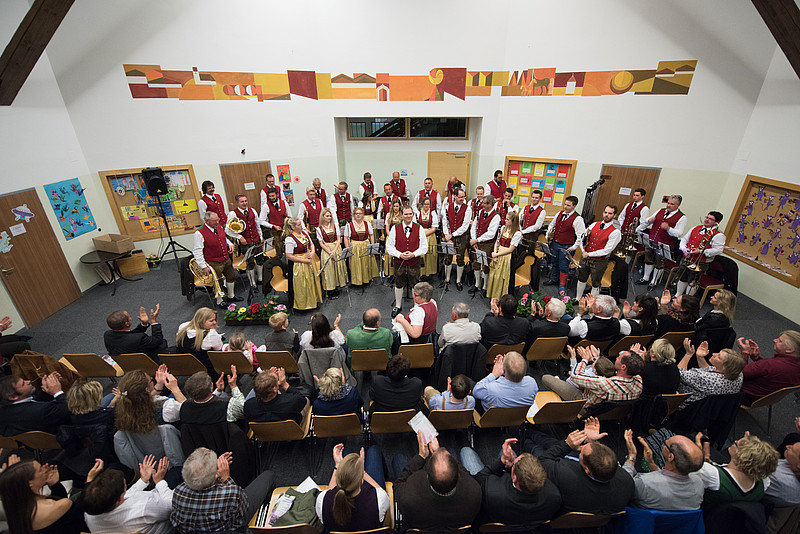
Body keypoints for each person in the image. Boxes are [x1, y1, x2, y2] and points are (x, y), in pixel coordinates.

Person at [534, 421, 634, 514]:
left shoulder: (564, 475)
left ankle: (529, 433)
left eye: (581, 452)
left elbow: (542, 461)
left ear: (587, 470)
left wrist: (566, 444)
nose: (581, 448)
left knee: (536, 448)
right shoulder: (627, 483)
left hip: (561, 510)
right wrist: (591, 441)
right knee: (550, 442)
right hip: (591, 513)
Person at [170, 448, 274, 534]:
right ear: (214, 476)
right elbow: (243, 509)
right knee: (268, 476)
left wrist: (210, 469)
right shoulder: (230, 493)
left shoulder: (178, 492)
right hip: (233, 527)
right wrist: (227, 479)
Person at [460, 438, 561, 524]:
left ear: (515, 478)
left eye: (515, 463)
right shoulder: (554, 496)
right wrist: (511, 466)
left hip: (497, 511)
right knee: (508, 453)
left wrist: (502, 462)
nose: (514, 461)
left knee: (466, 451)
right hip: (525, 521)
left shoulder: (491, 492)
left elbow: (480, 477)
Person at [394, 431, 481, 531]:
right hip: (452, 527)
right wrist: (439, 453)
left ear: (427, 476)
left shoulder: (408, 498)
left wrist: (421, 457)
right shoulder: (475, 492)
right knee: (453, 450)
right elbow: (465, 472)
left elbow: (398, 484)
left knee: (398, 459)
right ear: (458, 475)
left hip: (421, 522)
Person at [0, 458, 100, 534]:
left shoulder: (15, 510)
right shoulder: (60, 505)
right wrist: (89, 482)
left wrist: (55, 485)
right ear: (30, 483)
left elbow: (62, 520)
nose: (45, 469)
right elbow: (84, 516)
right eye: (40, 469)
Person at [82, 456, 173, 534]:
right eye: (125, 486)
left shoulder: (90, 515)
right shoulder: (144, 507)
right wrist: (159, 481)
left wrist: (143, 480)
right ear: (119, 499)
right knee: (176, 472)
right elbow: (172, 506)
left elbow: (127, 497)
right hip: (167, 520)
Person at [622, 429, 705, 510]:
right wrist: (651, 463)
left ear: (670, 457)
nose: (664, 442)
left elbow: (621, 488)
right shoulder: (699, 484)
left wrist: (631, 456)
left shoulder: (644, 483)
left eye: (666, 443)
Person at [543, 345, 644, 409]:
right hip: (610, 412)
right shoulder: (639, 381)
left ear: (623, 367)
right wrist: (597, 359)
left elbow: (575, 376)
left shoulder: (604, 383)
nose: (617, 357)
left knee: (546, 378)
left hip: (585, 406)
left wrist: (584, 359)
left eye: (619, 358)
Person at [316, 444, 389, 532]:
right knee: (373, 451)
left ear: (338, 478)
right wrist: (362, 471)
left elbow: (330, 492)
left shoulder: (322, 501)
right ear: (362, 481)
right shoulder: (379, 499)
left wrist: (338, 465)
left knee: (346, 451)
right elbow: (380, 491)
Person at [696, 431, 779, 506]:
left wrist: (697, 453)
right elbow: (760, 459)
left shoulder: (712, 475)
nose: (735, 441)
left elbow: (693, 468)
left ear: (740, 455)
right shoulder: (763, 484)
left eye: (736, 444)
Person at [636, 194, 687, 291]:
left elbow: (679, 233)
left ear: (678, 205)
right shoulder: (661, 210)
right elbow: (647, 220)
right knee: (648, 259)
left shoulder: (682, 217)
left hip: (664, 243)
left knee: (659, 263)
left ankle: (653, 282)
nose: (668, 205)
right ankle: (646, 278)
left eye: (672, 204)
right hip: (651, 239)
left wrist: (668, 228)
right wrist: (649, 220)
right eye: (668, 203)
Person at [677, 340, 745, 408]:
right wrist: (700, 357)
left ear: (725, 367)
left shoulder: (706, 379)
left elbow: (677, 373)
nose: (714, 354)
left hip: (684, 404)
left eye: (719, 357)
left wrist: (688, 354)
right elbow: (710, 372)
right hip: (713, 409)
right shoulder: (739, 376)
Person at [738, 330, 800, 404]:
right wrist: (757, 358)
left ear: (789, 350)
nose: (775, 340)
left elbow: (738, 373)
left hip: (744, 395)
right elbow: (769, 370)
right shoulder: (795, 365)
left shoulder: (769, 365)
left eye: (780, 341)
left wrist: (744, 353)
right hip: (763, 399)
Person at [192, 211, 239, 307]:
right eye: (214, 221)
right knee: (218, 281)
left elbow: (224, 238)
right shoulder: (199, 233)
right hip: (213, 261)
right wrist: (203, 266)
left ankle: (231, 295)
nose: (217, 222)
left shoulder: (218, 227)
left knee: (231, 276)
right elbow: (197, 251)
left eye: (218, 220)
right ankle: (219, 300)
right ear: (207, 221)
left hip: (225, 258)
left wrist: (230, 244)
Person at [386, 206, 427, 317]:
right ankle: (398, 305)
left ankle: (416, 307)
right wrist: (400, 254)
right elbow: (389, 246)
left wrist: (413, 254)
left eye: (410, 214)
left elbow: (424, 247)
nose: (408, 216)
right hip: (399, 262)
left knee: (415, 284)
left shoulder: (419, 228)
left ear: (413, 215)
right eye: (406, 214)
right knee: (399, 283)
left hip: (414, 262)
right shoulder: (395, 228)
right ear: (402, 215)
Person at [675, 211, 726, 297]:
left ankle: (687, 299)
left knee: (693, 281)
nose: (707, 220)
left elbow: (719, 250)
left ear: (717, 223)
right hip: (687, 258)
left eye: (711, 219)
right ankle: (678, 295)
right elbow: (684, 239)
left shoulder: (719, 235)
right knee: (682, 277)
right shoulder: (696, 227)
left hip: (700, 262)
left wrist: (701, 251)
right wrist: (684, 248)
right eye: (707, 217)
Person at [0, 372, 69, 435]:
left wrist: (46, 389)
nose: (28, 381)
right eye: (23, 384)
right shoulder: (41, 411)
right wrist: (57, 391)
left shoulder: (4, 411)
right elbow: (69, 410)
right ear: (13, 397)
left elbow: (33, 404)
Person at [575, 205, 621, 298]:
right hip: (585, 257)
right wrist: (583, 251)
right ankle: (577, 298)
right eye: (605, 212)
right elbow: (583, 238)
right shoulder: (594, 224)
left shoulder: (616, 232)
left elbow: (607, 250)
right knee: (581, 278)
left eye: (610, 213)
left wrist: (589, 254)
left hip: (599, 261)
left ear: (614, 215)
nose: (606, 215)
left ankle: (592, 303)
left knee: (595, 283)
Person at [544, 195, 585, 295]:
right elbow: (552, 225)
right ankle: (554, 279)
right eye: (565, 204)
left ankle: (562, 285)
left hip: (567, 246)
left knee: (563, 266)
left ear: (574, 206)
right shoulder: (559, 214)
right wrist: (547, 235)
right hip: (555, 243)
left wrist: (574, 247)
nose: (565, 207)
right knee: (554, 263)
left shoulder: (578, 219)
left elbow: (581, 235)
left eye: (568, 205)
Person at [225, 194, 265, 292]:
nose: (244, 203)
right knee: (250, 262)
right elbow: (227, 230)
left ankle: (260, 279)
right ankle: (252, 283)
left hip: (256, 239)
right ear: (237, 203)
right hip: (246, 242)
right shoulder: (233, 214)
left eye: (245, 201)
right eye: (242, 201)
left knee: (260, 259)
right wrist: (240, 237)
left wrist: (261, 237)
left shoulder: (253, 210)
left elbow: (257, 225)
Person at [473, 351, 538, 410]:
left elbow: (475, 391)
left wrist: (494, 374)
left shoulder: (490, 390)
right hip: (518, 417)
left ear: (503, 370)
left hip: (492, 417)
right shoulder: (532, 383)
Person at [284, 217, 323, 311]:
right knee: (302, 284)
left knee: (311, 282)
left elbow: (311, 244)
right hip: (299, 264)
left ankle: (313, 301)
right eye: (299, 225)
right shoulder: (289, 239)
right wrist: (305, 261)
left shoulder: (304, 233)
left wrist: (312, 252)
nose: (301, 226)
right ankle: (303, 305)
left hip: (309, 261)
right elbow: (289, 256)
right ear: (293, 227)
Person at [440, 188, 472, 291]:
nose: (463, 199)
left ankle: (458, 281)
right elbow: (445, 222)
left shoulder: (468, 209)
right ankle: (447, 279)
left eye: (464, 197)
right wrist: (446, 235)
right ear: (454, 196)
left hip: (462, 237)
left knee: (460, 258)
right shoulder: (447, 207)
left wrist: (452, 235)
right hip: (449, 236)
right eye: (460, 197)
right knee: (447, 258)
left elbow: (465, 226)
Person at [470, 194, 501, 296]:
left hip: (487, 244)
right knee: (476, 263)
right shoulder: (480, 212)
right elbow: (474, 226)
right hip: (477, 242)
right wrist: (474, 240)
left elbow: (491, 233)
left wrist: (477, 239)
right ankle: (477, 284)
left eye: (484, 203)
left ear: (490, 204)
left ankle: (485, 286)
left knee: (486, 265)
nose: (482, 205)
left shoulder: (496, 216)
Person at [486, 210, 522, 299]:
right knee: (495, 275)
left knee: (503, 277)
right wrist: (495, 253)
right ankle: (493, 295)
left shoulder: (517, 233)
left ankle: (501, 297)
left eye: (508, 219)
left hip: (506, 256)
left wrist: (497, 254)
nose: (505, 220)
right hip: (498, 253)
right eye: (506, 219)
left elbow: (510, 249)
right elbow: (497, 241)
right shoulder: (503, 228)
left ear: (513, 222)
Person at [176, 307, 222, 375]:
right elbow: (219, 349)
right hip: (205, 369)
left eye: (215, 320)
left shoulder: (182, 327)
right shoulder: (210, 336)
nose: (215, 322)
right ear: (201, 321)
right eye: (211, 321)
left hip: (183, 366)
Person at [317, 207, 349, 299]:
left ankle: (337, 285)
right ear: (322, 217)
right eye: (327, 216)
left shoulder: (335, 226)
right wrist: (329, 252)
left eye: (330, 216)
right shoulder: (319, 229)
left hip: (336, 248)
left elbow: (339, 239)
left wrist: (334, 251)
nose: (329, 218)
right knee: (329, 269)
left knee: (338, 267)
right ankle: (330, 289)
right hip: (326, 250)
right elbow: (321, 243)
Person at [343, 206, 379, 287]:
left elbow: (371, 235)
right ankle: (357, 281)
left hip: (365, 245)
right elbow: (346, 237)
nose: (358, 215)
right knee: (356, 264)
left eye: (360, 213)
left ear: (363, 215)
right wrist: (348, 248)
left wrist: (372, 245)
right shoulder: (349, 225)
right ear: (354, 215)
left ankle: (366, 279)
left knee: (366, 263)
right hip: (355, 247)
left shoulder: (367, 224)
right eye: (356, 214)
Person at [617, 188, 650, 262]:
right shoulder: (628, 205)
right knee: (620, 247)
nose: (635, 197)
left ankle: (625, 264)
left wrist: (634, 231)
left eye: (637, 195)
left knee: (628, 251)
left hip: (632, 234)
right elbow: (621, 217)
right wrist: (621, 226)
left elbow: (644, 223)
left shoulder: (644, 208)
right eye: (634, 195)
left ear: (642, 196)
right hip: (623, 231)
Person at [259, 186, 291, 258]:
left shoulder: (284, 203)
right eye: (269, 196)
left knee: (288, 247)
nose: (271, 198)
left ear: (277, 195)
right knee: (279, 248)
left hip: (285, 229)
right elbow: (261, 221)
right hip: (275, 230)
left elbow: (289, 216)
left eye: (273, 196)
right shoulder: (266, 206)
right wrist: (272, 226)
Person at [415, 196, 439, 279]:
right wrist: (421, 234)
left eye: (428, 204)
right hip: (420, 236)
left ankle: (428, 273)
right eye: (425, 204)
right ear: (422, 204)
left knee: (430, 255)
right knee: (421, 255)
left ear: (430, 205)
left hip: (430, 236)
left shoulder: (433, 213)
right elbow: (415, 227)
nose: (426, 206)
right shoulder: (418, 213)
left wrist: (424, 234)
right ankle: (421, 273)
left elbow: (434, 228)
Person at [382, 198, 404, 278]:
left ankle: (399, 273)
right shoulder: (388, 215)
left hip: (400, 238)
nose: (395, 208)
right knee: (389, 255)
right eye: (394, 206)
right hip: (390, 237)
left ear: (400, 207)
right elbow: (387, 228)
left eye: (397, 206)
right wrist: (391, 237)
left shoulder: (402, 215)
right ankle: (390, 273)